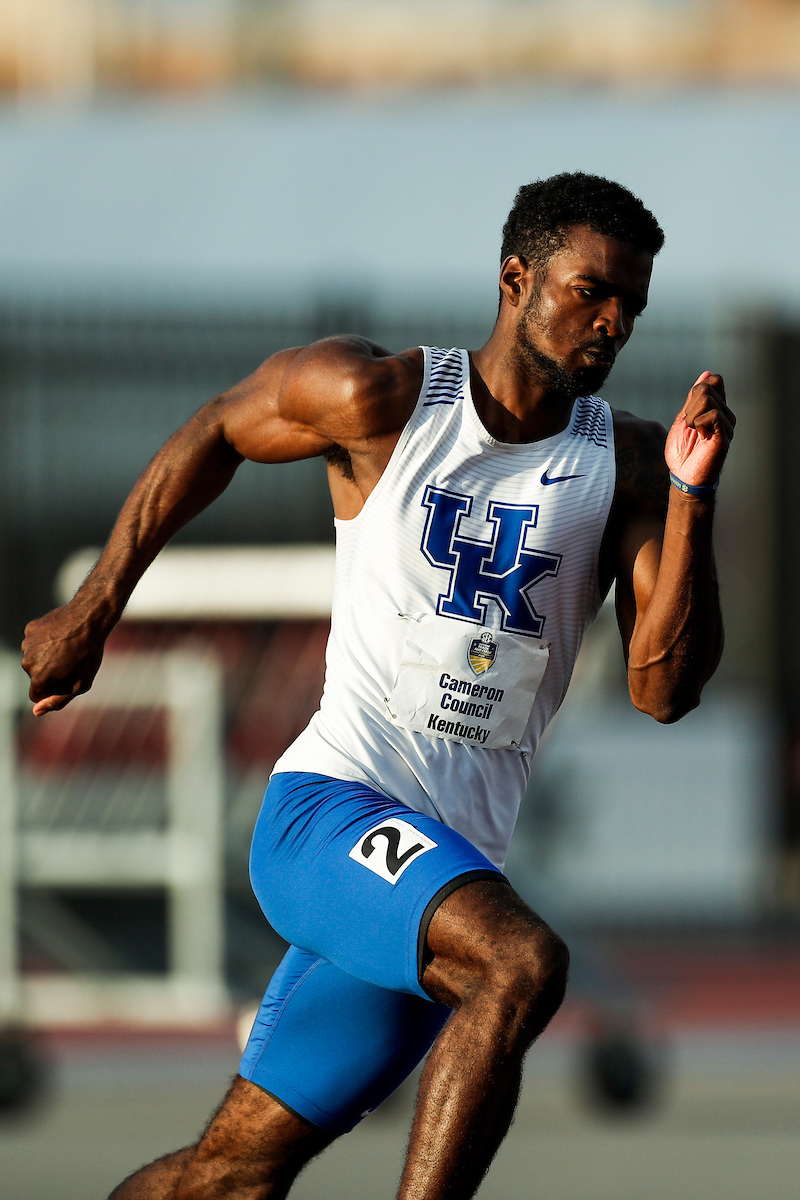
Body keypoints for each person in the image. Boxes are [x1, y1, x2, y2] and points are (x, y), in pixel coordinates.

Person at [21, 172, 734, 1200]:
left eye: (630, 305)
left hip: (441, 878)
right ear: (514, 278)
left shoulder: (621, 464)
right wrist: (94, 608)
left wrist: (689, 497)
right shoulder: (383, 400)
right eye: (589, 293)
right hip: (330, 812)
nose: (611, 324)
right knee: (521, 964)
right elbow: (222, 427)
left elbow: (662, 689)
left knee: (228, 1176)